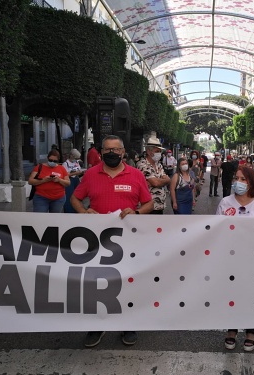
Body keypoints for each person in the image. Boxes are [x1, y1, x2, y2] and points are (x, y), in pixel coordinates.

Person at [71, 135, 154, 348]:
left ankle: (128, 325)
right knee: (97, 282)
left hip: (128, 241)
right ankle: (97, 325)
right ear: (101, 151)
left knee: (126, 281)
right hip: (97, 240)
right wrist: (83, 211)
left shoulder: (135, 175)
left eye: (116, 150)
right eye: (107, 149)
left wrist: (135, 211)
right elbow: (75, 198)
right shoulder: (90, 174)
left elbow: (149, 203)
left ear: (123, 152)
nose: (112, 153)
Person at [216, 166, 254, 352]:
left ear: (251, 182)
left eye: (243, 179)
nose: (238, 182)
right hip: (230, 258)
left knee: (251, 294)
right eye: (236, 178)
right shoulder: (225, 202)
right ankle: (231, 330)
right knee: (232, 293)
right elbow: (215, 230)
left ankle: (251, 331)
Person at [137, 133, 170, 214]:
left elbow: (168, 180)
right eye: (157, 151)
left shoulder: (158, 164)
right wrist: (162, 180)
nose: (159, 153)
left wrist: (162, 181)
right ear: (149, 151)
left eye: (160, 151)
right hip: (148, 207)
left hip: (159, 206)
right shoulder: (142, 165)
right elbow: (156, 183)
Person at [62, 148, 84, 213]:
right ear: (71, 155)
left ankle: (77, 209)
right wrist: (74, 173)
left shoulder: (76, 162)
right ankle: (69, 211)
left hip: (76, 180)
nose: (76, 160)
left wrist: (81, 172)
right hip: (69, 180)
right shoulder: (65, 164)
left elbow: (78, 169)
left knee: (77, 195)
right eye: (76, 158)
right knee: (69, 196)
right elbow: (64, 175)